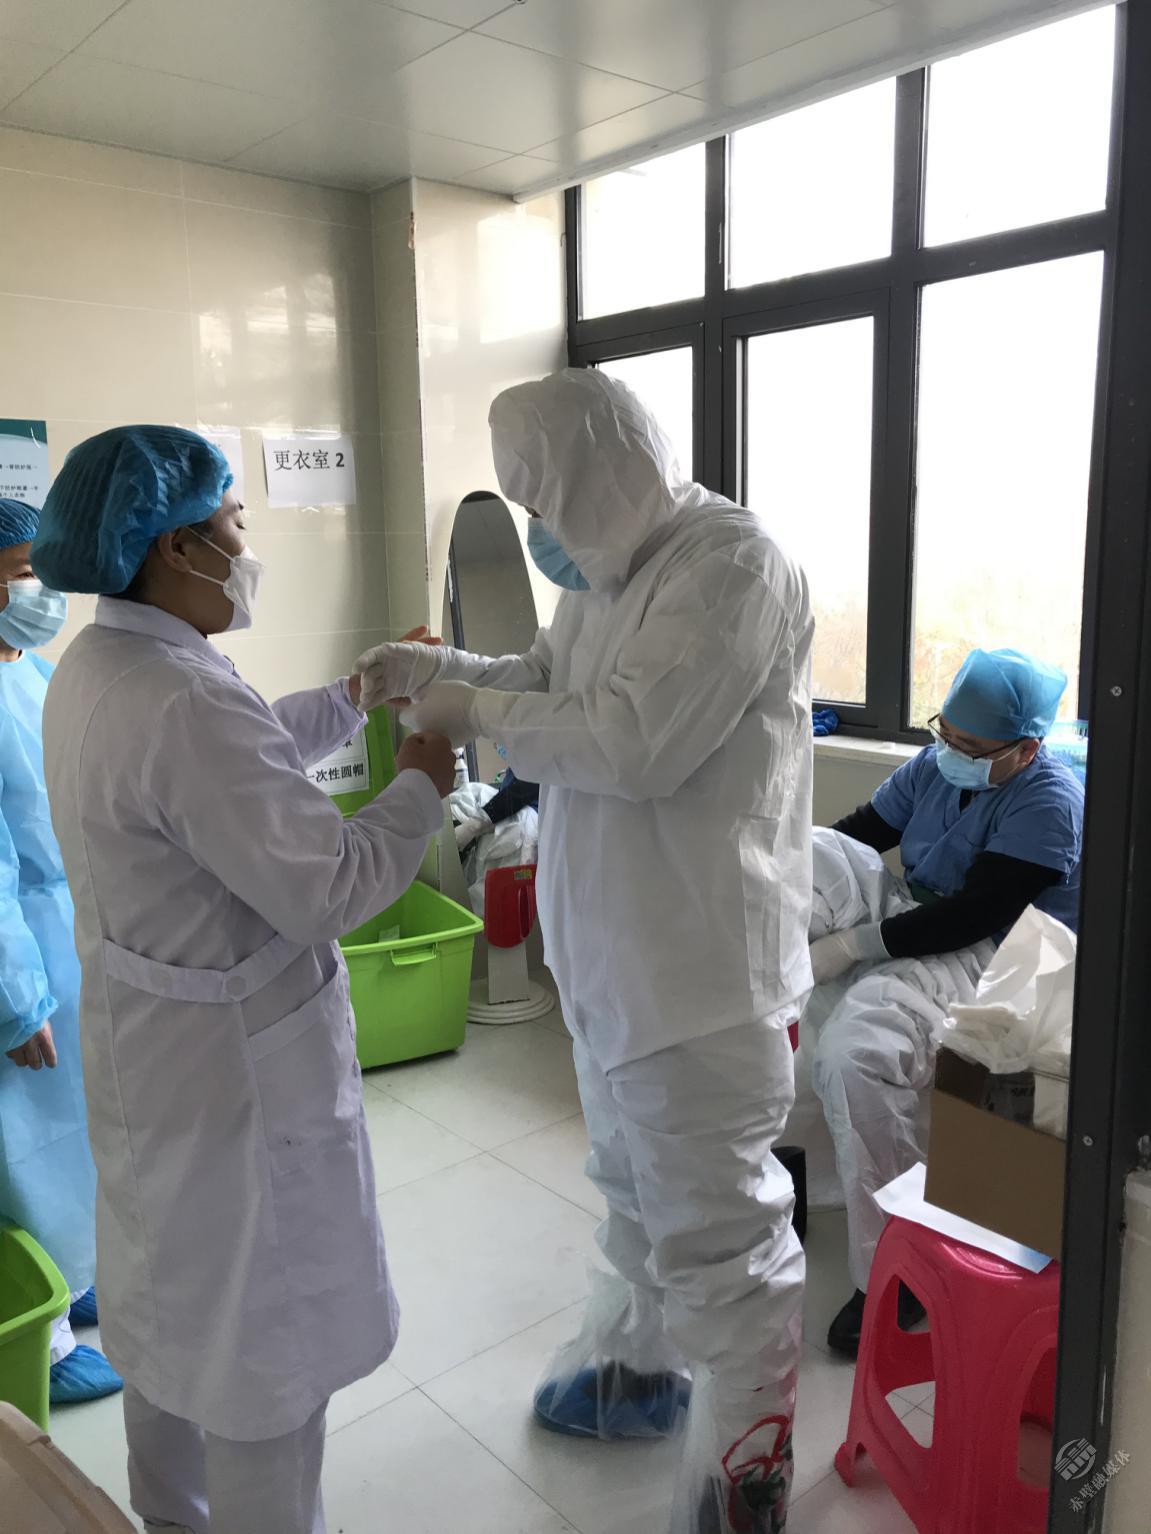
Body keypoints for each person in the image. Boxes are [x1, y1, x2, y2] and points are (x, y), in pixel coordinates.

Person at [356, 368, 814, 1534]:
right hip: (613, 958)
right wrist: (440, 673)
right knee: (630, 1185)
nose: (539, 532)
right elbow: (548, 684)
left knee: (718, 1233)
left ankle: (745, 1475)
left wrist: (473, 713)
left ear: (607, 474)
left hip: (701, 975)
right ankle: (635, 1373)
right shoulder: (607, 575)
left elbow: (634, 741)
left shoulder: (731, 566)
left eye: (543, 503)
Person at [31, 426, 455, 1534]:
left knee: (173, 1317)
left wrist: (354, 693)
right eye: (232, 523)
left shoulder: (101, 665)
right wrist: (420, 779)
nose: (244, 545)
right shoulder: (180, 697)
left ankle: (172, 1519)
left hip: (154, 1054)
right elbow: (329, 885)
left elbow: (242, 757)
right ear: (175, 547)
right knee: (263, 1344)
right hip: (237, 1078)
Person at [805, 648, 1083, 1356]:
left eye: (971, 745)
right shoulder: (935, 765)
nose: (951, 752)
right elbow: (856, 837)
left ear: (1026, 748)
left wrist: (850, 946)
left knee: (856, 1051)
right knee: (809, 852)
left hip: (998, 948)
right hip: (921, 909)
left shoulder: (1048, 801)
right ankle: (785, 1171)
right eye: (945, 733)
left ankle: (896, 1274)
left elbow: (973, 915)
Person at [0, 499, 122, 1405]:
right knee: (23, 1152)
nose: (39, 589)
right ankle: (40, 1346)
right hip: (18, 962)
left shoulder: (33, 672)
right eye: (20, 573)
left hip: (66, 940)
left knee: (74, 1134)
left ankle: (73, 1280)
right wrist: (16, 1000)